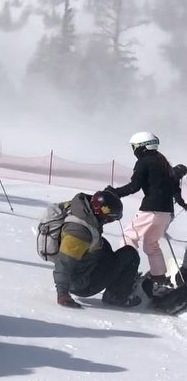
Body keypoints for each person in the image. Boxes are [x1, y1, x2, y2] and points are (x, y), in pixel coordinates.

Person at [110, 132, 180, 295]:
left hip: (151, 209)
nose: (134, 151)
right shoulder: (163, 163)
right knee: (151, 244)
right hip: (165, 213)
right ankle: (159, 278)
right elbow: (173, 187)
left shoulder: (145, 162)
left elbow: (134, 186)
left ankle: (127, 271)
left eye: (134, 147)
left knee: (128, 237)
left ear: (142, 146)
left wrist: (115, 192)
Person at [53, 190, 140, 309]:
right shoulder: (79, 232)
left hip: (82, 270)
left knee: (105, 246)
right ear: (102, 213)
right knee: (130, 254)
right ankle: (116, 297)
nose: (110, 222)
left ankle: (117, 281)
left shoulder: (82, 207)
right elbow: (64, 263)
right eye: (110, 219)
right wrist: (62, 293)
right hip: (82, 283)